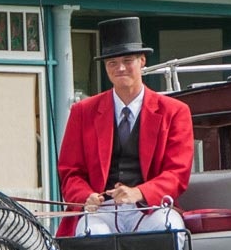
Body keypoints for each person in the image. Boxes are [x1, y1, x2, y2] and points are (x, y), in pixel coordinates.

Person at [56, 17, 193, 236]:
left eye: (128, 60)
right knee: (91, 232)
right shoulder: (82, 112)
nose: (120, 68)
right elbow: (70, 173)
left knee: (169, 227)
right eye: (112, 63)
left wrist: (139, 192)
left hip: (150, 208)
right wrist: (86, 196)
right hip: (101, 210)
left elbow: (177, 173)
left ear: (142, 61)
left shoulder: (175, 111)